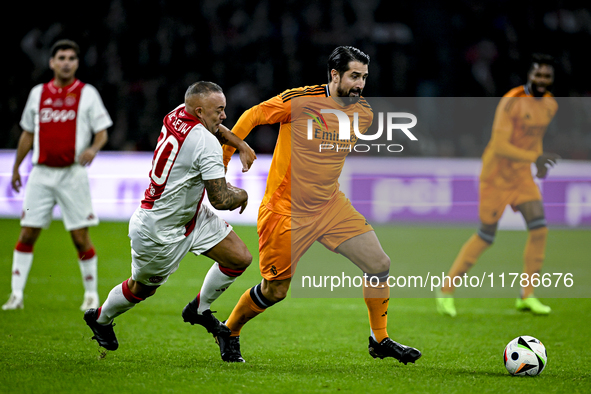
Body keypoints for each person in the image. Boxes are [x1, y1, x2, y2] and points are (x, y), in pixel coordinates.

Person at [217, 46, 422, 364]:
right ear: (335, 74)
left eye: (364, 78)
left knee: (379, 264)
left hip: (330, 206)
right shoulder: (301, 100)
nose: (360, 84)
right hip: (285, 211)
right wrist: (226, 157)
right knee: (275, 292)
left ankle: (379, 339)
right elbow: (254, 115)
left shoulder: (363, 114)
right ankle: (229, 330)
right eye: (354, 76)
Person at [84, 81, 257, 351]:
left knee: (239, 258)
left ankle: (199, 309)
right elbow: (221, 199)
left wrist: (240, 144)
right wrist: (243, 195)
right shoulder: (204, 144)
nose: (224, 116)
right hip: (159, 229)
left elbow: (217, 128)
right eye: (219, 110)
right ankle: (101, 318)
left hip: (190, 215)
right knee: (141, 289)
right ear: (199, 111)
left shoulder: (178, 113)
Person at [436, 54, 560, 316]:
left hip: (522, 176)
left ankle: (527, 295)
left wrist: (536, 163)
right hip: (495, 176)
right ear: (529, 75)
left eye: (546, 76)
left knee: (540, 228)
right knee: (486, 236)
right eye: (537, 74)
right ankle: (446, 290)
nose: (541, 80)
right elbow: (501, 145)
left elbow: (534, 140)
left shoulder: (550, 105)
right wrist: (534, 157)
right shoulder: (512, 102)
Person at [3, 39, 112, 311]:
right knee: (27, 233)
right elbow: (28, 133)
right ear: (52, 62)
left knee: (79, 237)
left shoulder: (87, 93)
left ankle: (91, 295)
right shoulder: (38, 93)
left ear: (76, 63)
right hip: (40, 174)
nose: (66, 62)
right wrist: (17, 167)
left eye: (71, 58)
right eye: (61, 57)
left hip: (72, 175)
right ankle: (16, 295)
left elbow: (102, 132)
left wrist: (93, 149)